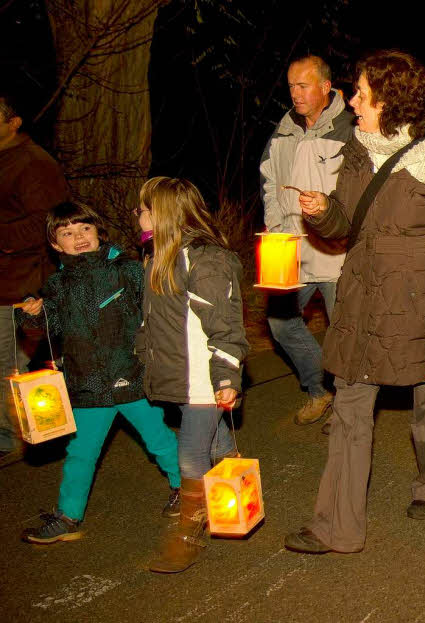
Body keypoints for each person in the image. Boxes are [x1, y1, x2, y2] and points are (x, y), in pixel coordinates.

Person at [285, 50, 425, 555]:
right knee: (350, 409)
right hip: (361, 303)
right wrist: (324, 211)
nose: (351, 102)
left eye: (361, 94)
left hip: (420, 310)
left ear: (390, 101)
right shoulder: (356, 152)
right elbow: (345, 226)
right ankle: (336, 527)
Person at [18, 202, 182, 544]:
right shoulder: (57, 285)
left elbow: (157, 309)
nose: (78, 238)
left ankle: (187, 489)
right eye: (67, 233)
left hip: (132, 376)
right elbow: (54, 329)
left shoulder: (126, 269)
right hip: (88, 384)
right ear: (55, 243)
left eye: (84, 229)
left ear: (98, 232)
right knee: (80, 453)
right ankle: (68, 515)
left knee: (160, 440)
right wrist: (36, 316)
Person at [139, 177, 248, 574]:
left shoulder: (205, 261)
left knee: (190, 453)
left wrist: (225, 378)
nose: (138, 215)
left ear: (163, 215)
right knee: (214, 442)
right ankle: (230, 495)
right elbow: (153, 323)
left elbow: (227, 327)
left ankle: (189, 531)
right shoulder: (157, 257)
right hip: (180, 376)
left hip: (204, 376)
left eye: (144, 208)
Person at [260, 55, 355, 425]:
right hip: (290, 249)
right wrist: (273, 225)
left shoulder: (349, 128)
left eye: (303, 86)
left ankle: (348, 409)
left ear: (325, 87)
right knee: (280, 322)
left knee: (343, 333)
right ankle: (320, 390)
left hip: (336, 251)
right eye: (291, 86)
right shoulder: (283, 130)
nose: (295, 94)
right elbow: (269, 182)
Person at [0, 92, 71, 467]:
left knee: (9, 363)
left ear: (14, 123)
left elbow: (47, 222)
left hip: (21, 278)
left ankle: (14, 439)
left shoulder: (33, 163)